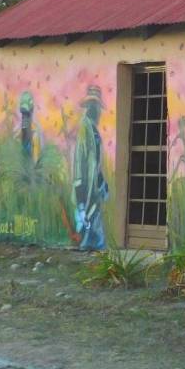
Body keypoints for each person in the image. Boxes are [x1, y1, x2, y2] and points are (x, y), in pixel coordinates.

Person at [72, 85, 108, 251]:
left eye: (97, 106)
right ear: (88, 108)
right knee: (88, 231)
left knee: (96, 236)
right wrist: (80, 203)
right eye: (92, 105)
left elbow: (96, 163)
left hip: (94, 192)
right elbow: (80, 165)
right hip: (85, 192)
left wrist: (102, 184)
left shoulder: (93, 130)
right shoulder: (84, 130)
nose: (96, 110)